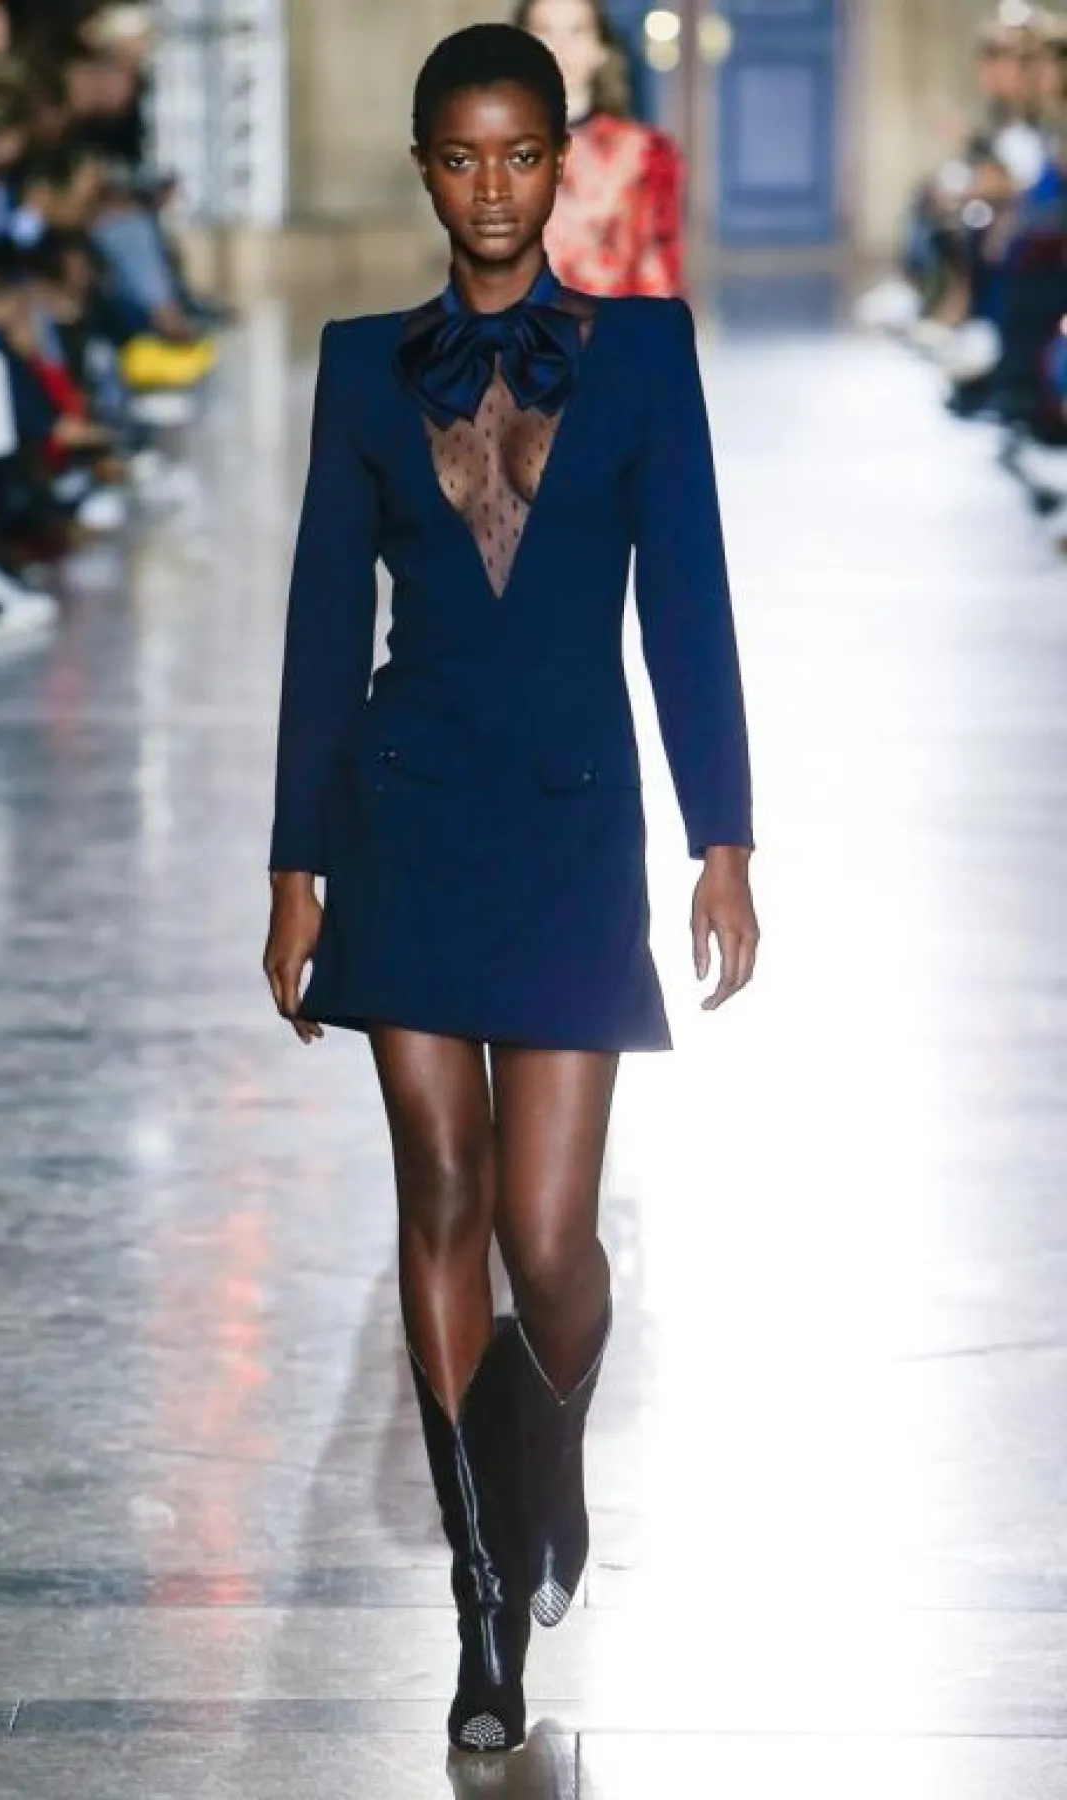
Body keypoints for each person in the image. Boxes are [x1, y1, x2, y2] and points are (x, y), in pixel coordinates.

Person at [263, 23, 757, 1756]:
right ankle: (482, 1605)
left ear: (562, 162)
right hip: (406, 822)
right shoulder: (361, 366)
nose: (492, 187)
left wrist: (723, 839)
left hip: (567, 830)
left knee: (551, 1245)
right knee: (446, 1196)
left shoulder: (643, 354)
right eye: (462, 157)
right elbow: (323, 624)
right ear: (427, 168)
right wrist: (296, 863)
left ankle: (547, 1451)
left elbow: (686, 598)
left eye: (520, 155)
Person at [514, 0, 686, 296]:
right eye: (545, 31)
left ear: (601, 48)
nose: (561, 48)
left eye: (577, 31)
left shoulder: (645, 153)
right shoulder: (489, 153)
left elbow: (657, 268)